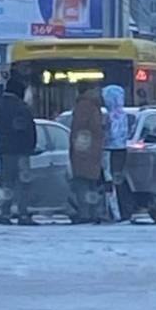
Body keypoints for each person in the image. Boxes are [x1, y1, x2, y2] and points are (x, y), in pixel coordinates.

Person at [0, 75, 37, 225]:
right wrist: (30, 147)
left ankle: (5, 213)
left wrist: (2, 140)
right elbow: (28, 130)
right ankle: (23, 214)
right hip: (21, 151)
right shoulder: (21, 108)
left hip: (4, 151)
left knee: (7, 184)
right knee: (23, 183)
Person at [68, 81, 105, 224]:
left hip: (84, 151)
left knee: (82, 183)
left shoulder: (83, 105)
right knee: (91, 183)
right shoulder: (95, 106)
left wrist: (77, 149)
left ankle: (85, 214)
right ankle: (93, 212)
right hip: (94, 150)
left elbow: (79, 127)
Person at [102, 84, 130, 222]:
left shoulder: (109, 116)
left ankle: (113, 212)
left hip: (110, 151)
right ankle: (123, 210)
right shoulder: (124, 115)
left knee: (109, 181)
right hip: (122, 150)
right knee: (119, 181)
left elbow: (109, 135)